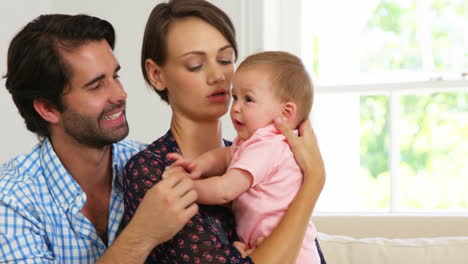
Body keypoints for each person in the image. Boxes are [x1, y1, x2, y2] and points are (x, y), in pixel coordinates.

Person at [121, 1, 327, 263]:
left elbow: (307, 249)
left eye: (225, 60)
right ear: (156, 74)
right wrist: (314, 180)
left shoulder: (257, 153)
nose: (218, 75)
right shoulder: (152, 172)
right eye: (195, 65)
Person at [0, 14, 199, 263]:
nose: (120, 94)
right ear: (48, 108)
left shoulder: (154, 165)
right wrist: (143, 234)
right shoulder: (11, 200)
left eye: (115, 76)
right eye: (96, 86)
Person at [168, 51, 320, 264]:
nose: (236, 107)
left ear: (285, 113)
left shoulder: (268, 146)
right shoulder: (254, 142)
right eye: (235, 97)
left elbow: (225, 190)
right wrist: (199, 165)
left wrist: (189, 187)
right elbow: (225, 156)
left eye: (248, 99)